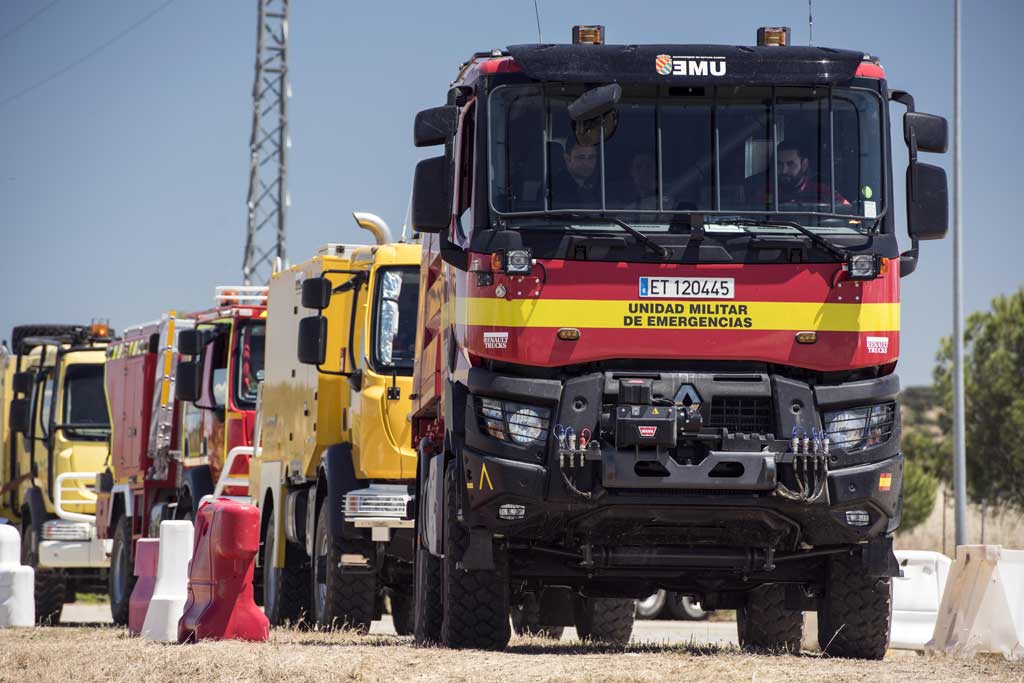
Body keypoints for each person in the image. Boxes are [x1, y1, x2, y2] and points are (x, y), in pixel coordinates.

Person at [776, 142, 849, 206]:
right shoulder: (768, 191)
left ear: (804, 165)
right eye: (779, 164)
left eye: (790, 164)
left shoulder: (823, 192)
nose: (783, 171)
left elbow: (849, 214)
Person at [552, 139, 601, 209]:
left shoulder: (603, 184)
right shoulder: (553, 187)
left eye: (591, 157)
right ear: (567, 159)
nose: (586, 163)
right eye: (580, 157)